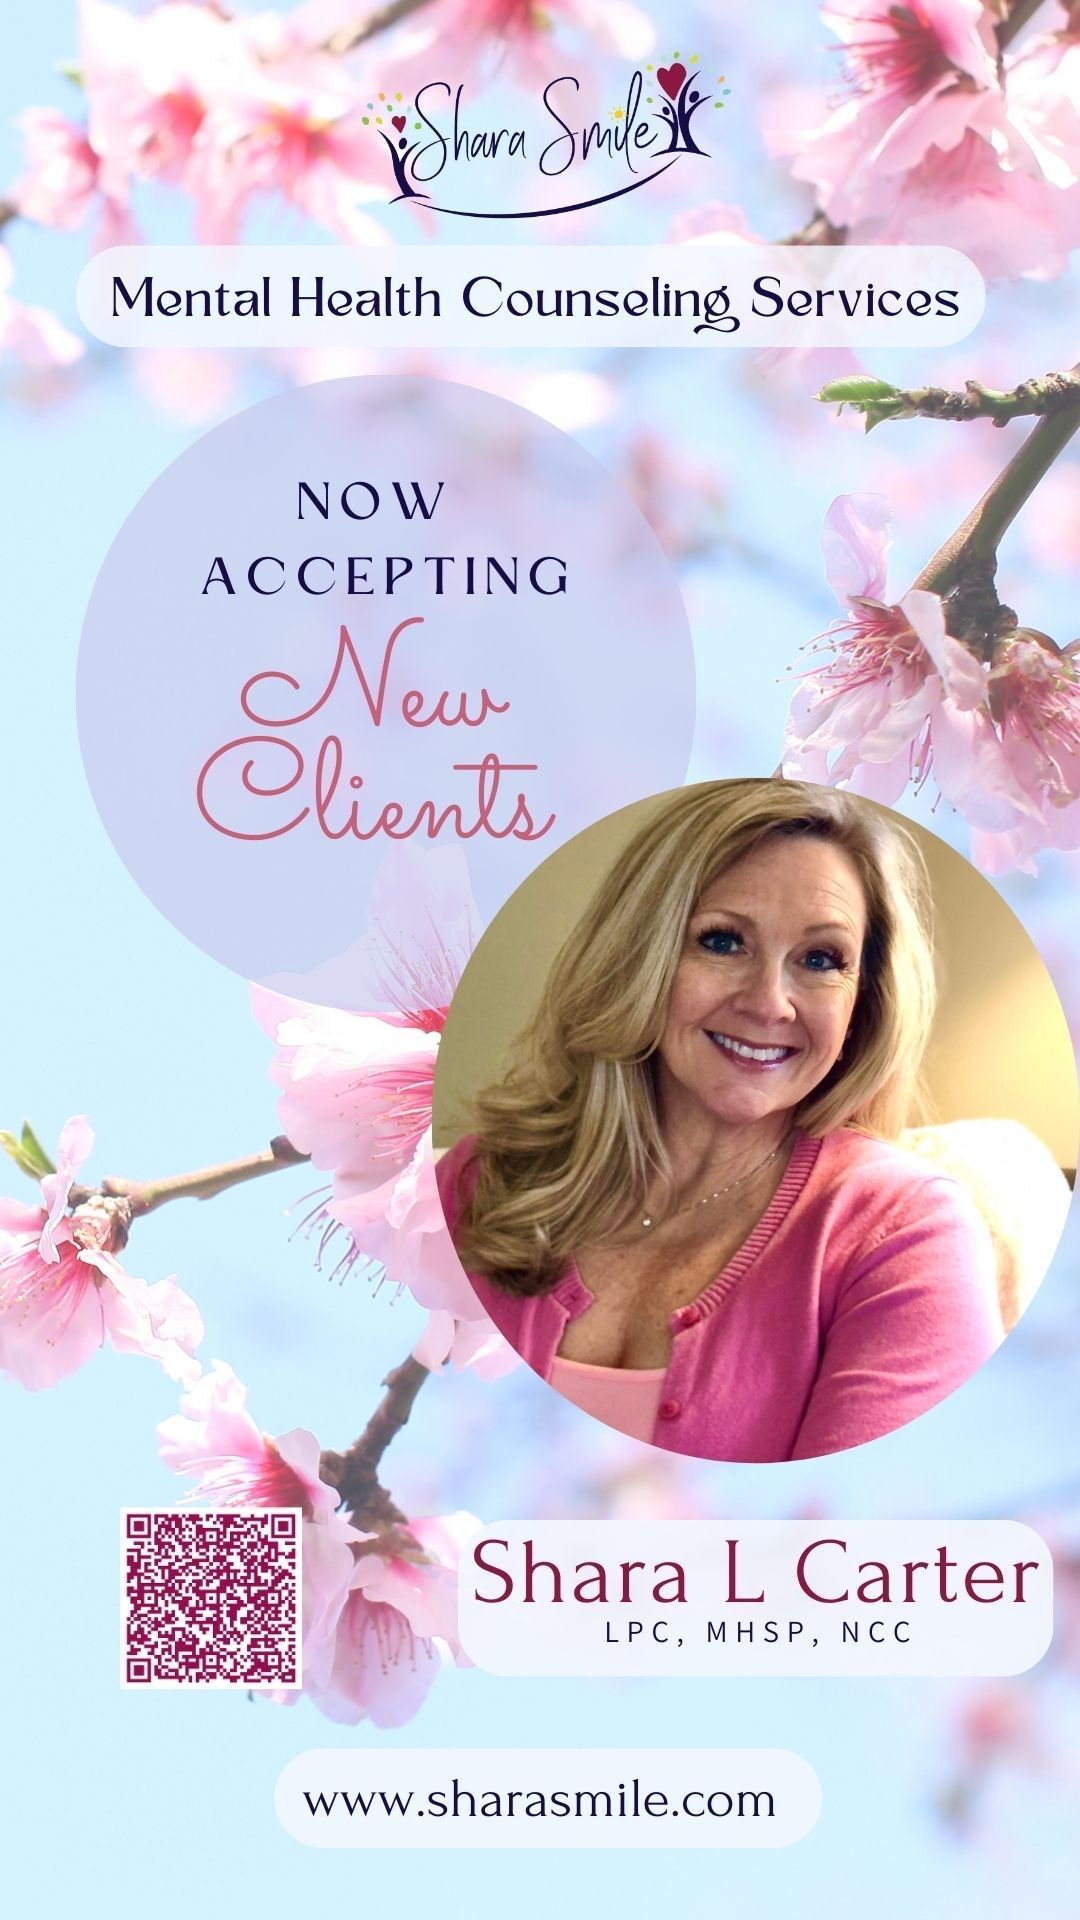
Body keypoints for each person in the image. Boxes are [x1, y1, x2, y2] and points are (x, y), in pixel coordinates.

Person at [436, 780, 1003, 1461]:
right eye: (723, 942)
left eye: (820, 960)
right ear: (640, 958)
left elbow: (870, 1544)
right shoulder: (473, 1182)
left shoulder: (907, 1232)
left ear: (865, 1000)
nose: (769, 1003)